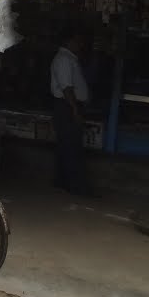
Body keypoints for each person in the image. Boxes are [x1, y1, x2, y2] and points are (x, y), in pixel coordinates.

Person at [50, 28, 93, 196]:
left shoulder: (69, 59)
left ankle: (63, 182)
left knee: (66, 146)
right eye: (78, 41)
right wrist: (75, 110)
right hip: (66, 106)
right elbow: (67, 88)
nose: (80, 45)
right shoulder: (63, 59)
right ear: (69, 41)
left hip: (67, 106)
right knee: (71, 147)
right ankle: (76, 186)